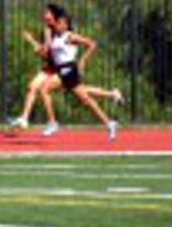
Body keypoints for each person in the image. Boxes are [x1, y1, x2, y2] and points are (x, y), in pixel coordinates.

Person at [38, 11, 122, 140]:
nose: (58, 25)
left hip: (69, 69)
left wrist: (83, 60)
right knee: (86, 99)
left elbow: (92, 44)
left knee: (44, 89)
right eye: (57, 22)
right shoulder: (54, 36)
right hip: (62, 70)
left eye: (61, 23)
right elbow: (48, 38)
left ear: (66, 25)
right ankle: (109, 122)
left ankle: (52, 122)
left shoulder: (70, 36)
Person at [9, 4, 63, 131]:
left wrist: (31, 40)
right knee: (32, 86)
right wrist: (37, 46)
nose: (44, 14)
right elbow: (45, 54)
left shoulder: (59, 29)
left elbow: (47, 51)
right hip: (51, 67)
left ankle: (52, 122)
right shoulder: (47, 29)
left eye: (47, 13)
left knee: (84, 95)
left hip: (63, 68)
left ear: (53, 16)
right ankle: (24, 118)